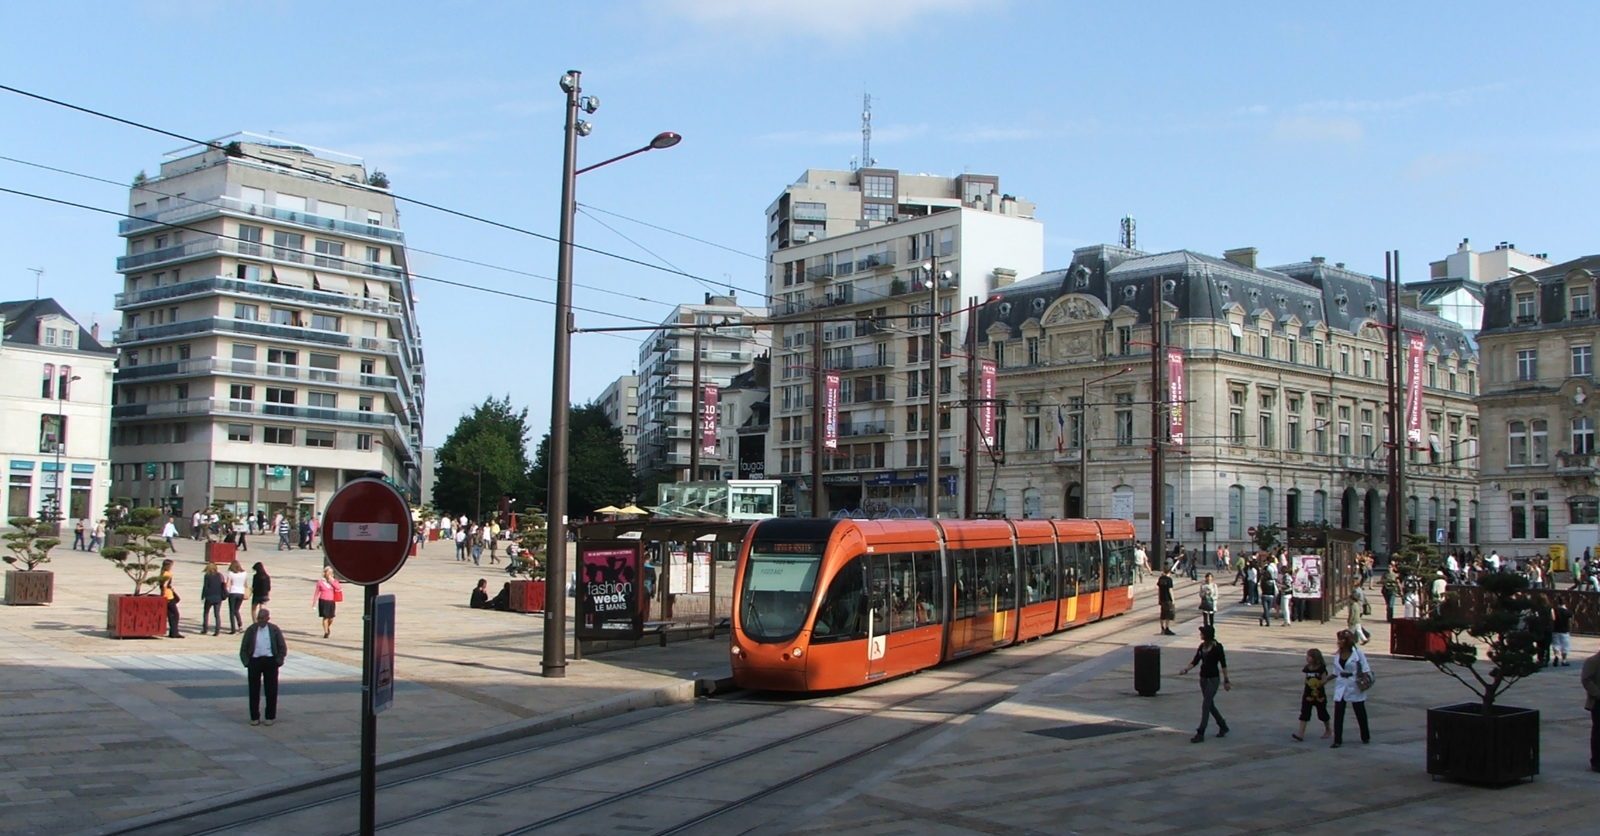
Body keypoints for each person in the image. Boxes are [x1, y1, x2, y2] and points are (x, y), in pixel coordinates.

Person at [1178, 625, 1231, 743]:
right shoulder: (1202, 647)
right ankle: (1223, 725)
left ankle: (1201, 732)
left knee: (1206, 704)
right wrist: (1186, 669)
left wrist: (1226, 680)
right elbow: (1195, 661)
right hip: (1203, 678)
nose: (1200, 635)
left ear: (1207, 635)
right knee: (1210, 704)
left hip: (1213, 679)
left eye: (1202, 633)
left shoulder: (1217, 647)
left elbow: (1223, 664)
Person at [239, 608, 287, 726]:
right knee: (253, 690)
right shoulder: (251, 630)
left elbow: (282, 647)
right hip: (255, 661)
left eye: (262, 618)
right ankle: (254, 716)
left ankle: (270, 716)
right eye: (259, 618)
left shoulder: (274, 630)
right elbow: (244, 648)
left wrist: (278, 661)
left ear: (268, 618)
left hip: (270, 661)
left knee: (271, 690)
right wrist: (247, 662)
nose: (260, 621)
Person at [1328, 629, 1373, 747]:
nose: (1339, 642)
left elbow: (1366, 668)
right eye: (1339, 639)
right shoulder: (1338, 654)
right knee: (1339, 712)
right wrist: (1325, 681)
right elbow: (1336, 671)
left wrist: (1363, 678)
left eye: (1342, 639)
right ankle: (1337, 740)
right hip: (1341, 684)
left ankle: (1365, 736)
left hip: (1354, 684)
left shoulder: (1357, 653)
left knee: (1359, 711)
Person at [1293, 648, 1332, 742]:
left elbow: (1324, 679)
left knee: (1322, 714)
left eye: (1309, 656)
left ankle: (1328, 729)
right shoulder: (1307, 668)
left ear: (1315, 658)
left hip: (1319, 695)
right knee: (1304, 713)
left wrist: (1319, 683)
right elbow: (1306, 679)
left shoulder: (1321, 668)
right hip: (1308, 694)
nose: (1307, 658)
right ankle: (1300, 734)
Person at [1583, 647, 1600, 772]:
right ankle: (1597, 761)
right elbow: (1586, 679)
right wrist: (1598, 694)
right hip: (1598, 702)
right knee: (1598, 732)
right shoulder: (1593, 661)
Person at [313, 566, 342, 639]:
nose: (330, 574)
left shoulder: (334, 581)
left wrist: (331, 581)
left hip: (331, 601)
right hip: (323, 601)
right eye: (328, 572)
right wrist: (314, 603)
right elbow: (316, 592)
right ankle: (326, 632)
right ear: (325, 573)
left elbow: (338, 588)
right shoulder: (320, 582)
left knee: (331, 618)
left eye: (331, 572)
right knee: (325, 617)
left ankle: (328, 627)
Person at [200, 562, 226, 636]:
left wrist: (203, 596)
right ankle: (217, 631)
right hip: (218, 597)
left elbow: (205, 587)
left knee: (206, 612)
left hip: (209, 597)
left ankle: (205, 629)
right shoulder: (220, 575)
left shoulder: (207, 576)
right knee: (217, 614)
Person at [159, 559, 183, 638]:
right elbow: (164, 585)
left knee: (170, 615)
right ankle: (174, 632)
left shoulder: (162, 573)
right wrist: (165, 593)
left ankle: (173, 632)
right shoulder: (167, 574)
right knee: (176, 614)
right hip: (168, 596)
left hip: (167, 595)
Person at [225, 560, 249, 634]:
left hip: (233, 592)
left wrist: (226, 591)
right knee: (236, 610)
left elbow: (228, 584)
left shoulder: (231, 573)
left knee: (232, 611)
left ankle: (233, 629)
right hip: (241, 593)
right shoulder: (244, 573)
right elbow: (245, 584)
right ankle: (240, 625)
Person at [1552, 600, 1573, 667]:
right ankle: (1564, 660)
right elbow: (1570, 618)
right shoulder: (1567, 612)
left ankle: (1556, 656)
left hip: (1555, 630)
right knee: (1565, 646)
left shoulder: (1554, 610)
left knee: (1556, 645)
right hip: (1564, 631)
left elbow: (1552, 619)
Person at [1156, 568, 1176, 636]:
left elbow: (1159, 590)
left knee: (1162, 614)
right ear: (1169, 572)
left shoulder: (1160, 579)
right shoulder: (1169, 580)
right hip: (1168, 599)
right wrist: (1173, 599)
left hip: (1162, 599)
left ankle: (1162, 628)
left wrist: (1159, 599)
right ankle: (1167, 628)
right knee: (1169, 614)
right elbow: (1170, 590)